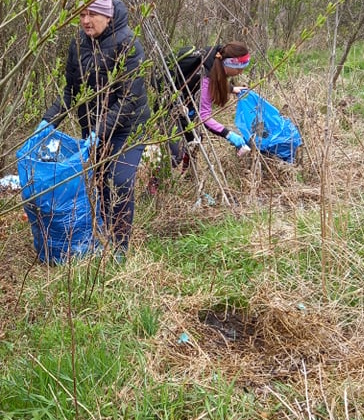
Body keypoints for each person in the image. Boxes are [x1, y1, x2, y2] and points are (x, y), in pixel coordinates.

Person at [37, 0, 150, 258]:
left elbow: (129, 100)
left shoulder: (129, 45)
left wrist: (100, 130)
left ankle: (119, 247)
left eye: (93, 14)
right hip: (93, 128)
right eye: (82, 14)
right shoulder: (78, 45)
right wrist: (48, 122)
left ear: (108, 16)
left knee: (119, 180)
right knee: (99, 184)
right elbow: (71, 91)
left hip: (128, 126)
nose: (86, 20)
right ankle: (103, 235)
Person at [156, 42, 252, 177]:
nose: (240, 72)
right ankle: (153, 185)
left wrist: (231, 89)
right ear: (229, 64)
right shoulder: (205, 76)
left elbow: (216, 80)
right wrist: (229, 134)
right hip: (168, 108)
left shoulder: (214, 58)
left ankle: (187, 176)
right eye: (238, 69)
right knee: (175, 153)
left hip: (185, 106)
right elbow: (204, 117)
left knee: (195, 140)